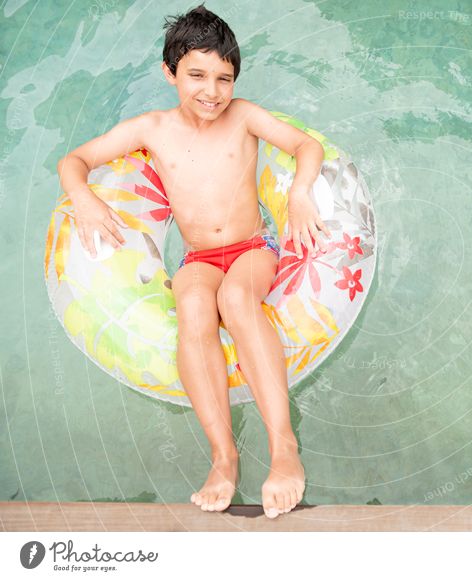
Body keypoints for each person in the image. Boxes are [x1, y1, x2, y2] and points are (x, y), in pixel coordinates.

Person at [56, 3, 330, 519]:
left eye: (224, 78)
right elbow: (75, 160)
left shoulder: (244, 116)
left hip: (252, 249)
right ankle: (224, 457)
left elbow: (305, 144)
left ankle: (283, 450)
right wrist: (85, 198)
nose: (213, 91)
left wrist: (299, 191)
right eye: (197, 75)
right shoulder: (151, 128)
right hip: (199, 255)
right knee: (195, 306)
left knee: (235, 297)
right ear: (170, 72)